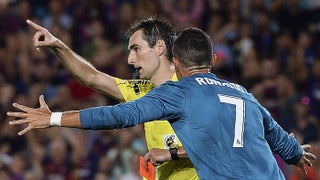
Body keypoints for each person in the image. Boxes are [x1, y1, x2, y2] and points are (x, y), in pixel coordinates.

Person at [8, 27, 317, 179]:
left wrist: (54, 119)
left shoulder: (179, 92)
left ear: (171, 57)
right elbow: (273, 134)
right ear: (211, 60)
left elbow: (118, 116)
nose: (129, 58)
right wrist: (295, 154)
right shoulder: (240, 91)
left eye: (135, 48)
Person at [24, 17, 197, 179]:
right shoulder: (142, 89)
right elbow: (92, 77)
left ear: (159, 47)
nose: (130, 59)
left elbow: (219, 141)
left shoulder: (192, 88)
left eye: (136, 49)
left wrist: (171, 153)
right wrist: (58, 46)